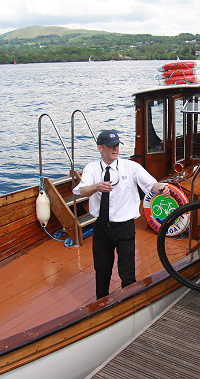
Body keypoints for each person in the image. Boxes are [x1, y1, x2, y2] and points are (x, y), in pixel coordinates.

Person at [73, 129, 170, 300]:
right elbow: (81, 191)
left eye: (117, 145)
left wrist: (162, 188)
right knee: (102, 272)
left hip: (125, 228)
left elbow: (152, 185)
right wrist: (96, 187)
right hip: (102, 229)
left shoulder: (131, 167)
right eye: (111, 146)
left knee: (127, 273)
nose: (115, 149)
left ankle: (129, 305)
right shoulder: (91, 169)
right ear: (100, 148)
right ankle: (101, 304)